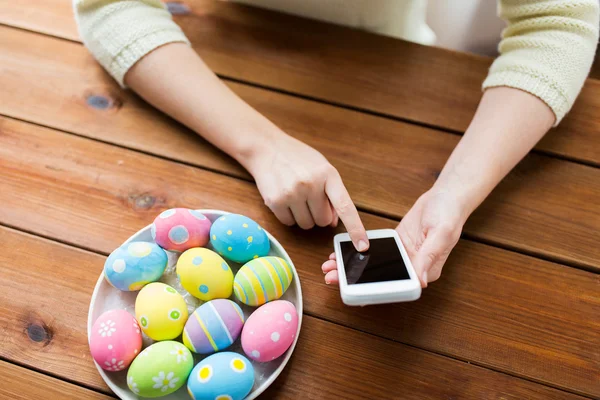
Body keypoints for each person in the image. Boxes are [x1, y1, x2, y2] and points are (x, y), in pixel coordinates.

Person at [74, 0, 599, 287]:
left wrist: (454, 194)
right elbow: (107, 5)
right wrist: (262, 147)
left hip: (400, 90)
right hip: (203, 81)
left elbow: (559, 23)